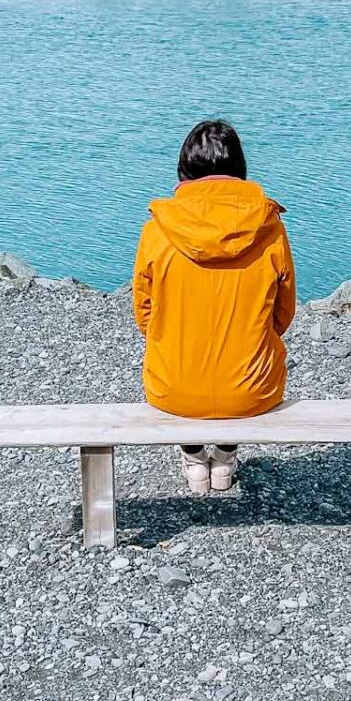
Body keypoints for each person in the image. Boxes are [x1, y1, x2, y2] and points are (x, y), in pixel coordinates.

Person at [132, 119, 296, 495]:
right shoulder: (268, 228)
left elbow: (144, 314)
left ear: (184, 171)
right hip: (252, 391)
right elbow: (283, 313)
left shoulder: (157, 231)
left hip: (172, 389)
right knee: (244, 354)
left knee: (181, 358)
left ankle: (193, 456)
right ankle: (224, 454)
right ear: (240, 171)